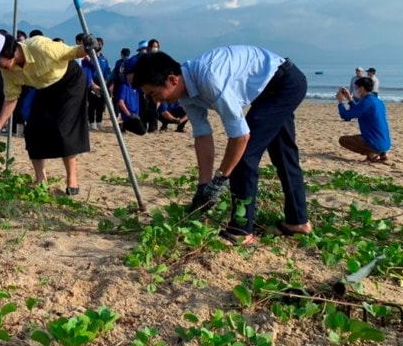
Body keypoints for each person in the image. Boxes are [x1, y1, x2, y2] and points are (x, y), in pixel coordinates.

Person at [133, 46, 312, 246]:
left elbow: (240, 137)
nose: (154, 100)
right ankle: (298, 221)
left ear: (172, 80)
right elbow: (202, 135)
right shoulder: (184, 94)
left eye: (153, 93)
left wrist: (219, 180)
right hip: (266, 91)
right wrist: (204, 185)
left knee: (242, 158)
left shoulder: (209, 79)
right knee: (283, 154)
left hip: (284, 83)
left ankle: (241, 230)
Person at [0, 29, 95, 195]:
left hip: (69, 83)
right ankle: (41, 180)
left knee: (63, 130)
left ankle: (72, 179)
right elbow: (11, 98)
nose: (0, 66)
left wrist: (89, 46)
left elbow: (74, 51)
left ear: (8, 52)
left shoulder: (41, 47)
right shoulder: (7, 70)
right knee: (33, 131)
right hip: (43, 88)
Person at [336, 77, 391, 163]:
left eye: (356, 88)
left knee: (343, 140)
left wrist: (340, 102)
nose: (356, 90)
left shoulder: (367, 102)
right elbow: (358, 111)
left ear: (361, 88)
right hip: (385, 142)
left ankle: (371, 154)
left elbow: (346, 116)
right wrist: (350, 99)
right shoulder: (377, 101)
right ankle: (382, 154)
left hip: (374, 142)